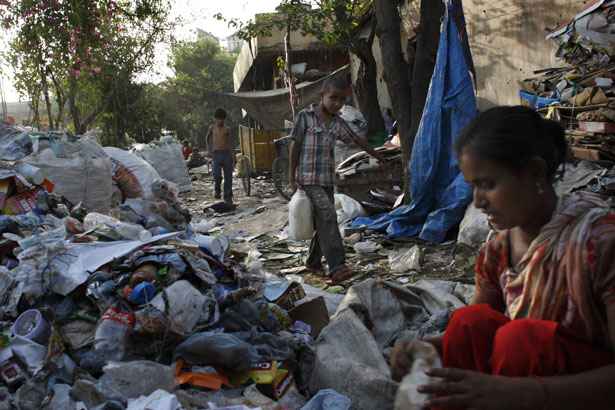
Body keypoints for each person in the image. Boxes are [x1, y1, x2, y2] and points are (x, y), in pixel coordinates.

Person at [391, 106, 615, 410]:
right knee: (469, 322)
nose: (478, 202)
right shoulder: (498, 251)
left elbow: (516, 347)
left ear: (535, 173)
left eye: (488, 184)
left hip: (579, 393)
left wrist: (524, 393)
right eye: (473, 186)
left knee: (521, 341)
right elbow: (478, 342)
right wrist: (427, 350)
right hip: (522, 381)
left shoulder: (600, 242)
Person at [289, 77, 385, 284]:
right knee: (329, 216)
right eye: (333, 98)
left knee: (323, 221)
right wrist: (291, 175)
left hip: (326, 180)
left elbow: (357, 139)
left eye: (342, 100)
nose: (337, 104)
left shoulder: (337, 123)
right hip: (308, 180)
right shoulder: (305, 117)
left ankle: (313, 261)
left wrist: (378, 155)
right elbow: (295, 146)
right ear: (322, 96)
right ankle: (337, 265)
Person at [206, 108, 233, 203]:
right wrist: (209, 150)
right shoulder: (212, 128)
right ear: (215, 119)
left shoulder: (227, 129)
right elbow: (207, 139)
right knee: (217, 175)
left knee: (228, 177)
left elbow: (230, 143)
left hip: (226, 154)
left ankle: (228, 196)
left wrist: (232, 155)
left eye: (222, 119)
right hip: (216, 154)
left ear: (224, 119)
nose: (220, 121)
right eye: (218, 119)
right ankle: (217, 190)